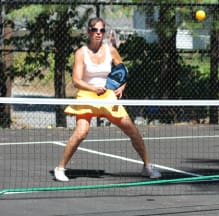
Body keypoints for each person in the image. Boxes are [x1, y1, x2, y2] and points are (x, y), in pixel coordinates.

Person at [53, 17, 160, 182]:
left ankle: (147, 167)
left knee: (133, 130)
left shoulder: (110, 50)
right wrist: (93, 88)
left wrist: (122, 86)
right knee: (81, 133)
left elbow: (122, 70)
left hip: (108, 95)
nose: (98, 33)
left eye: (101, 30)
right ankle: (60, 168)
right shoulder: (81, 53)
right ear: (88, 31)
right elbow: (76, 81)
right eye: (95, 30)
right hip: (87, 95)